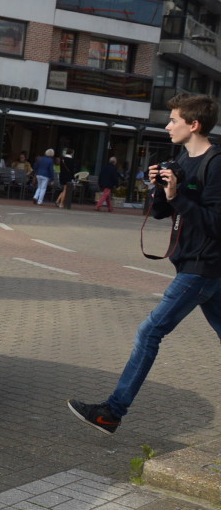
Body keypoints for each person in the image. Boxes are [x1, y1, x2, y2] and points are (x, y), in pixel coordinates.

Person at [68, 94, 221, 434]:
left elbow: (214, 223)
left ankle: (112, 412)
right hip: (195, 266)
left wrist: (177, 195)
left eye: (174, 120)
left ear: (193, 125)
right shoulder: (182, 157)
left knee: (150, 331)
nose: (167, 126)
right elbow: (164, 212)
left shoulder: (216, 163)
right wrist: (159, 189)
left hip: (203, 266)